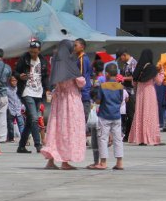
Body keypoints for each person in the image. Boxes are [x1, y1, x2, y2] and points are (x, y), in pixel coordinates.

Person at [41, 40, 86, 170]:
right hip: (71, 100)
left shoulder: (56, 62)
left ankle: (50, 161)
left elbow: (54, 81)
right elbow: (80, 82)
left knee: (56, 129)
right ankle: (65, 162)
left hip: (58, 100)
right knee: (69, 129)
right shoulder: (70, 63)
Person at [88, 63, 124, 170]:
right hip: (117, 116)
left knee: (103, 139)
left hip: (104, 115)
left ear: (106, 74)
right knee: (118, 139)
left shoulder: (103, 86)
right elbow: (121, 99)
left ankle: (103, 162)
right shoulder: (120, 86)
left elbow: (99, 100)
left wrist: (94, 98)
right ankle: (119, 162)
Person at [128, 49, 162, 146]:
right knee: (150, 114)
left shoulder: (139, 67)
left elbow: (133, 82)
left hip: (140, 92)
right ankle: (150, 137)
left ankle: (141, 139)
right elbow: (159, 81)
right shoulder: (152, 68)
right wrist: (162, 72)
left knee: (140, 114)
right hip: (149, 92)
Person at [116, 49, 137, 140]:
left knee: (131, 114)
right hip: (125, 91)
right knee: (127, 113)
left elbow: (134, 77)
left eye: (121, 58)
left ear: (124, 55)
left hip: (131, 91)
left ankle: (131, 135)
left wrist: (123, 78)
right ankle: (127, 135)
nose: (121, 60)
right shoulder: (125, 65)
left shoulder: (133, 63)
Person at [6, 75, 24, 143]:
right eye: (12, 81)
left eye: (15, 80)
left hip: (19, 109)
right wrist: (8, 107)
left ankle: (23, 137)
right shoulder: (7, 89)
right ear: (10, 81)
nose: (14, 82)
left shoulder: (19, 88)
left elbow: (21, 98)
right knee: (10, 125)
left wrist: (23, 106)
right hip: (11, 109)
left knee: (21, 124)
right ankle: (11, 138)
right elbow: (6, 99)